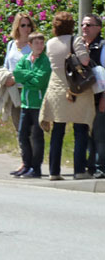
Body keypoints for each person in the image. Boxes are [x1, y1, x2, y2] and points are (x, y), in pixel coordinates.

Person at [39, 11, 95, 180]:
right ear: (71, 26)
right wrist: (85, 50)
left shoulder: (50, 43)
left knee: (58, 131)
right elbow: (84, 62)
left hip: (56, 89)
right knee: (80, 129)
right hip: (77, 89)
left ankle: (54, 171)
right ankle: (79, 170)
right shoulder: (75, 40)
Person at [12, 32, 50, 178]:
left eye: (42, 43)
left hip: (38, 104)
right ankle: (26, 165)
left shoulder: (45, 61)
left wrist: (27, 78)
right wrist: (29, 77)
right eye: (36, 43)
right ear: (30, 45)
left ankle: (36, 168)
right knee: (22, 135)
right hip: (25, 104)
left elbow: (39, 81)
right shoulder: (25, 59)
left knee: (37, 137)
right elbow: (17, 74)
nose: (40, 46)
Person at [3, 12, 34, 174]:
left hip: (29, 91)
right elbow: (6, 66)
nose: (26, 28)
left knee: (30, 129)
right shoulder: (11, 45)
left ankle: (32, 163)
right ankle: (24, 161)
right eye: (23, 25)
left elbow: (35, 69)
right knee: (19, 130)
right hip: (14, 92)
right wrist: (5, 78)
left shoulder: (34, 45)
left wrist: (17, 77)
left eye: (28, 25)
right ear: (17, 27)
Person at [78, 15, 105, 177]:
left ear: (99, 28)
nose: (84, 27)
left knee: (100, 135)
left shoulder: (103, 46)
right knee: (86, 134)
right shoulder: (80, 46)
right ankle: (90, 166)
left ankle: (101, 167)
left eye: (89, 24)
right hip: (83, 98)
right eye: (82, 24)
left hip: (99, 98)